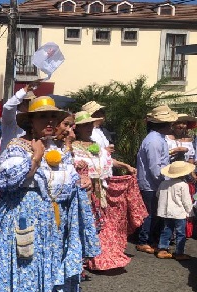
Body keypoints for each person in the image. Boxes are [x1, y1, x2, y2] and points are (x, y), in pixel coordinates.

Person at [0, 96, 100, 292]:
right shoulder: (17, 146)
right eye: (43, 116)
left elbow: (63, 183)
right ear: (31, 121)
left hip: (52, 225)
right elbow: (8, 181)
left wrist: (80, 184)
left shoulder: (60, 150)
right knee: (24, 271)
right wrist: (35, 158)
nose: (50, 121)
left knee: (47, 270)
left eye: (53, 117)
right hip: (23, 218)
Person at [72, 111, 145, 271]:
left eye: (90, 125)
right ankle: (84, 259)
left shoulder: (95, 145)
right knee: (84, 224)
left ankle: (100, 257)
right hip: (83, 191)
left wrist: (125, 166)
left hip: (101, 190)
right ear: (77, 128)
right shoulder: (71, 147)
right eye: (85, 125)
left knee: (102, 225)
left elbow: (108, 161)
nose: (89, 128)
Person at [135, 105, 177, 254]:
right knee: (150, 213)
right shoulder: (154, 141)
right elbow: (154, 168)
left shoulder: (158, 139)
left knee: (154, 212)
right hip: (151, 184)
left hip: (154, 183)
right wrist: (165, 180)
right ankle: (143, 240)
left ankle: (150, 238)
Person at [155, 161, 195, 260]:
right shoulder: (183, 185)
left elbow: (157, 195)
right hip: (179, 213)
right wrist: (191, 213)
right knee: (180, 233)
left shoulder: (164, 183)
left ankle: (162, 249)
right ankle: (179, 252)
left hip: (166, 212)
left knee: (166, 230)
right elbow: (186, 201)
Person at [0, 80, 40, 151]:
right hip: (9, 158)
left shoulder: (33, 119)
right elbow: (8, 106)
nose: (32, 104)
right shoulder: (11, 118)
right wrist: (25, 90)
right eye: (29, 102)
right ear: (22, 102)